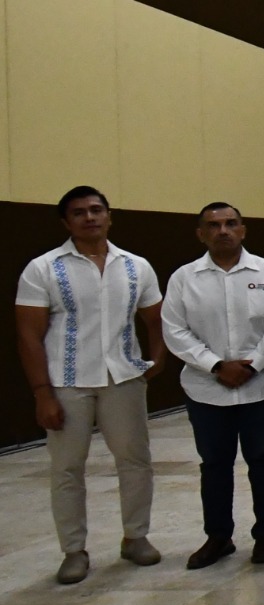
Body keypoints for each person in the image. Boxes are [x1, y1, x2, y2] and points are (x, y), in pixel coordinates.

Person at [16, 186, 167, 584]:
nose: (90, 217)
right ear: (66, 222)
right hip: (66, 383)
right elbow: (28, 335)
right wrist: (42, 393)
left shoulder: (136, 266)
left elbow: (156, 318)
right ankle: (73, 550)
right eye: (79, 212)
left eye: (97, 210)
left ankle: (135, 537)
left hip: (124, 378)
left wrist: (157, 360)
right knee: (67, 467)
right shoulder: (43, 268)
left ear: (109, 216)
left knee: (135, 460)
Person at [162, 202, 264, 570]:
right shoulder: (184, 278)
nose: (223, 230)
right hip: (207, 387)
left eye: (231, 223)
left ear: (243, 230)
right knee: (215, 464)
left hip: (263, 384)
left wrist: (254, 364)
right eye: (214, 225)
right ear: (201, 234)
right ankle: (218, 536)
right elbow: (174, 329)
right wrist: (216, 365)